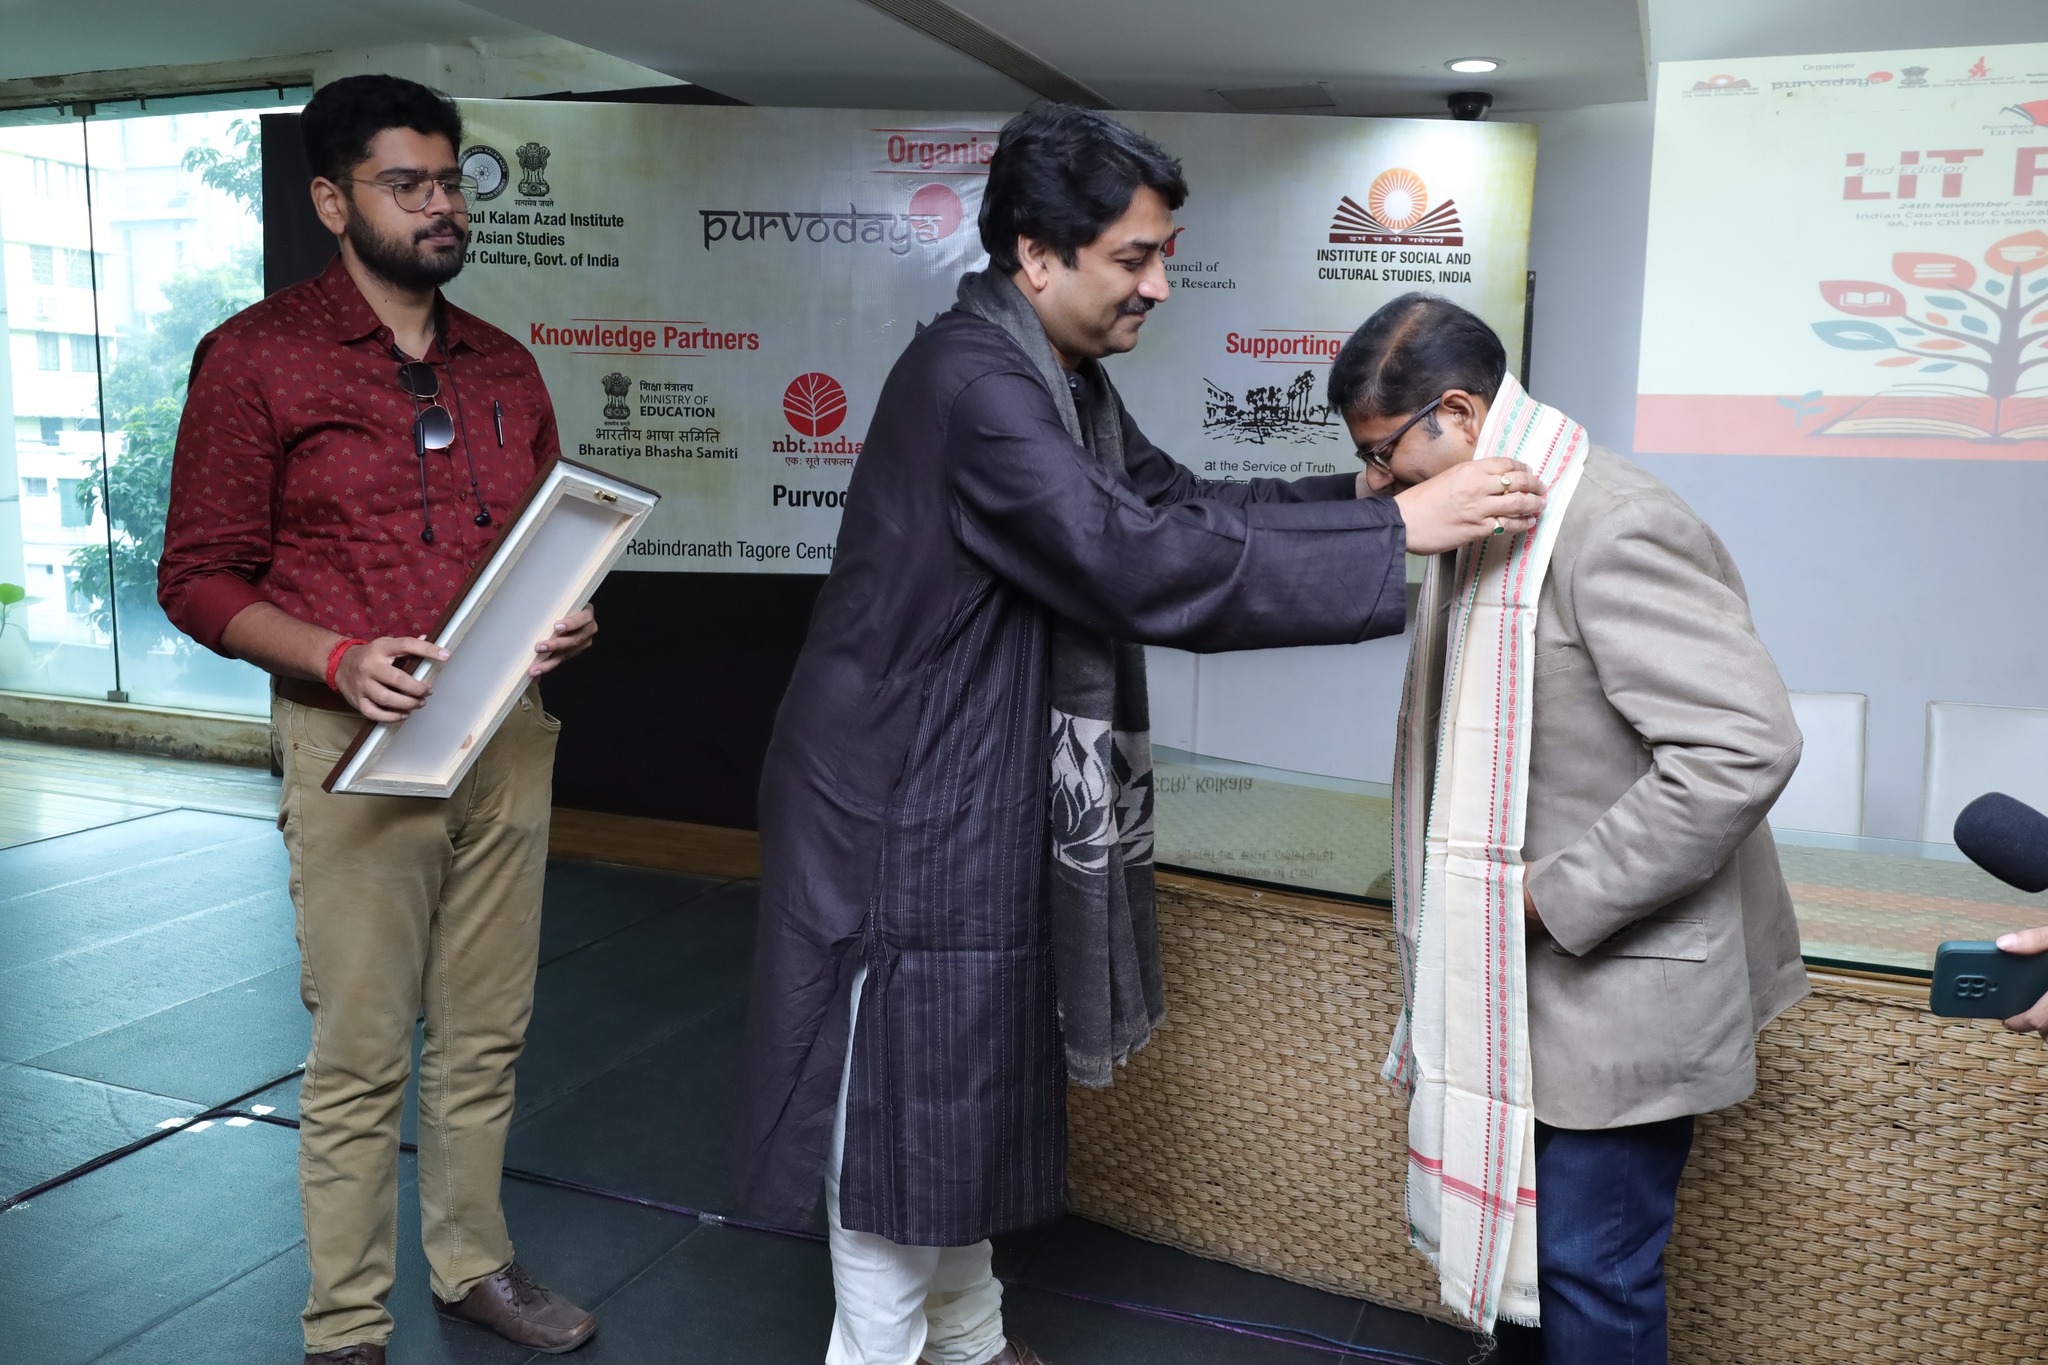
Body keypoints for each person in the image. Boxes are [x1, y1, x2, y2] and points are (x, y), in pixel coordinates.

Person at [732, 105, 1546, 1365]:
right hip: (900, 809)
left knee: (963, 1092)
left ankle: (969, 1343)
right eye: (1134, 257)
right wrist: (1397, 533)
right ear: (1034, 253)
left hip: (971, 790)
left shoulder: (1058, 382)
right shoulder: (971, 382)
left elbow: (1180, 503)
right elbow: (1127, 556)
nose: (1159, 284)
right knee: (904, 1115)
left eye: (1163, 254)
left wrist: (1365, 492)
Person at [157, 75, 599, 1365]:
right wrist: (337, 659)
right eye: (407, 184)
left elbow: (545, 546)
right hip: (352, 744)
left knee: (487, 1034)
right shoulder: (256, 356)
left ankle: (472, 1264)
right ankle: (346, 1325)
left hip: (505, 737)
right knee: (359, 1056)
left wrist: (566, 615)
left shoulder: (503, 363)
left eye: (449, 181)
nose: (440, 205)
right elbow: (197, 577)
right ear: (331, 200)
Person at [1341, 294, 1806, 1363]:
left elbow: (1742, 749)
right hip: (1520, 987)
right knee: (1523, 1279)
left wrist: (1545, 901)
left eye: (1381, 453)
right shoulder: (1483, 518)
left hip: (1613, 985)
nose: (1374, 484)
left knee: (1588, 1274)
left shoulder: (1611, 523)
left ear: (1458, 414)